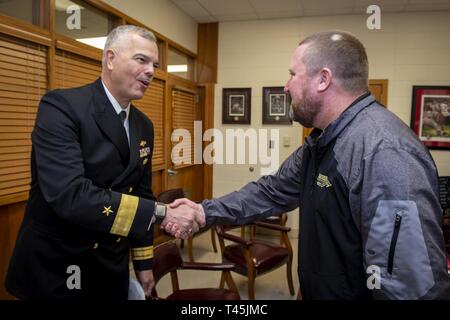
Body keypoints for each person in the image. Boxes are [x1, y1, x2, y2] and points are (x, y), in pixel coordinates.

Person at [162, 31, 450, 300]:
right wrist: (203, 211)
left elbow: (407, 284)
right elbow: (270, 192)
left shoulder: (384, 151)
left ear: (323, 79)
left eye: (292, 74)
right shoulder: (322, 142)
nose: (286, 85)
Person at [5, 25, 201, 299]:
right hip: (58, 266)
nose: (151, 72)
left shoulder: (143, 125)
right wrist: (162, 213)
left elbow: (141, 193)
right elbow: (71, 196)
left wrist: (143, 263)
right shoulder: (61, 107)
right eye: (141, 60)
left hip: (110, 264)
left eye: (154, 64)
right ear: (110, 59)